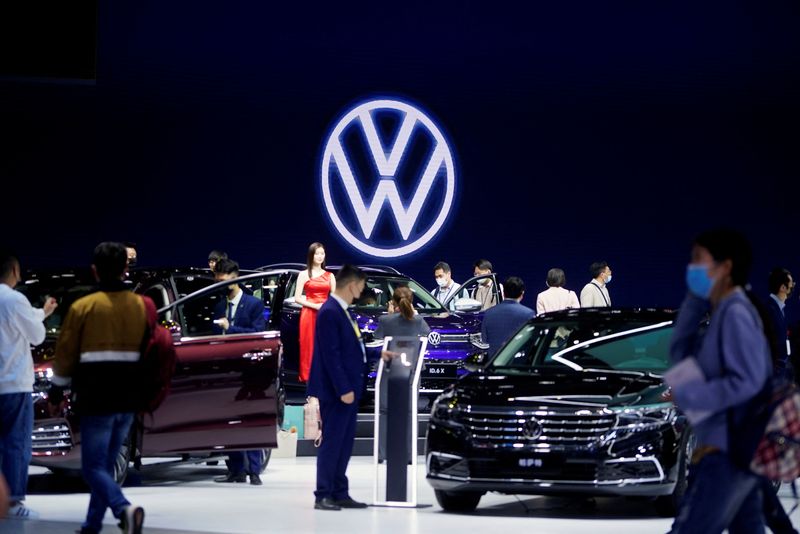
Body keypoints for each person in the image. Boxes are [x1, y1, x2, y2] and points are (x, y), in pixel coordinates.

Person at [664, 229, 773, 533]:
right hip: (731, 448)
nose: (692, 267)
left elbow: (748, 381)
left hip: (726, 452)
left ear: (725, 267)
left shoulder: (736, 312)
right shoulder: (725, 309)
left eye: (699, 259)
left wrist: (693, 396)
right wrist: (695, 301)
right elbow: (680, 353)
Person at [48, 242, 146, 534]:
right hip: (128, 399)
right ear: (125, 269)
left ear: (94, 270)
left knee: (92, 469)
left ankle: (122, 508)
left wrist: (56, 392)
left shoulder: (84, 308)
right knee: (104, 467)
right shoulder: (139, 306)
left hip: (96, 398)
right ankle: (92, 525)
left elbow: (65, 355)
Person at [0, 250, 57, 520]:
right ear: (13, 270)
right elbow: (35, 336)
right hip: (13, 386)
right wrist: (41, 319)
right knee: (15, 444)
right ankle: (13, 504)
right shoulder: (14, 299)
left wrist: (41, 313)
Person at [307, 265, 369, 511]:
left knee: (344, 442)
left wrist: (379, 353)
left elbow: (352, 348)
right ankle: (323, 493)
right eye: (361, 287)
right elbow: (331, 355)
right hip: (337, 391)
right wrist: (343, 387)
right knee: (333, 442)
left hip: (348, 388)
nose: (362, 292)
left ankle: (339, 491)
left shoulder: (343, 311)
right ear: (352, 284)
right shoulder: (330, 312)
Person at [211, 258, 267, 485]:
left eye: (224, 281)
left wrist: (231, 328)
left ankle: (254, 471)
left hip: (249, 370)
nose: (221, 286)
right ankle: (235, 470)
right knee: (229, 421)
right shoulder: (218, 306)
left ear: (235, 278)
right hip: (227, 370)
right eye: (218, 281)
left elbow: (257, 334)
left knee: (250, 421)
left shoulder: (253, 304)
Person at [373, 287, 431, 461]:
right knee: (410, 411)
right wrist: (413, 313)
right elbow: (427, 334)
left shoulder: (385, 320)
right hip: (411, 369)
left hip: (389, 368)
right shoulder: (419, 320)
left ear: (394, 302)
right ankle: (409, 454)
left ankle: (382, 454)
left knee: (384, 410)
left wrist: (390, 314)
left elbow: (378, 338)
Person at [295, 242, 335, 383]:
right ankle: (309, 381)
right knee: (308, 346)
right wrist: (314, 306)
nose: (320, 256)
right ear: (311, 255)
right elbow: (297, 298)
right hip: (308, 314)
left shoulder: (330, 276)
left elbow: (335, 298)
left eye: (322, 253)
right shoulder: (303, 274)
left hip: (326, 315)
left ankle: (326, 380)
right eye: (317, 253)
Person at [481, 277, 535, 356]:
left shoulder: (488, 313)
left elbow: (484, 340)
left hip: (494, 362)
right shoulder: (529, 314)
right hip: (518, 362)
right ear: (522, 294)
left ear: (503, 293)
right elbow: (532, 341)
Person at [767, 267, 794, 378]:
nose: (793, 286)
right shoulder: (770, 309)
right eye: (791, 283)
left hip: (780, 369)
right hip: (774, 372)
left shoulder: (778, 309)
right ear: (783, 287)